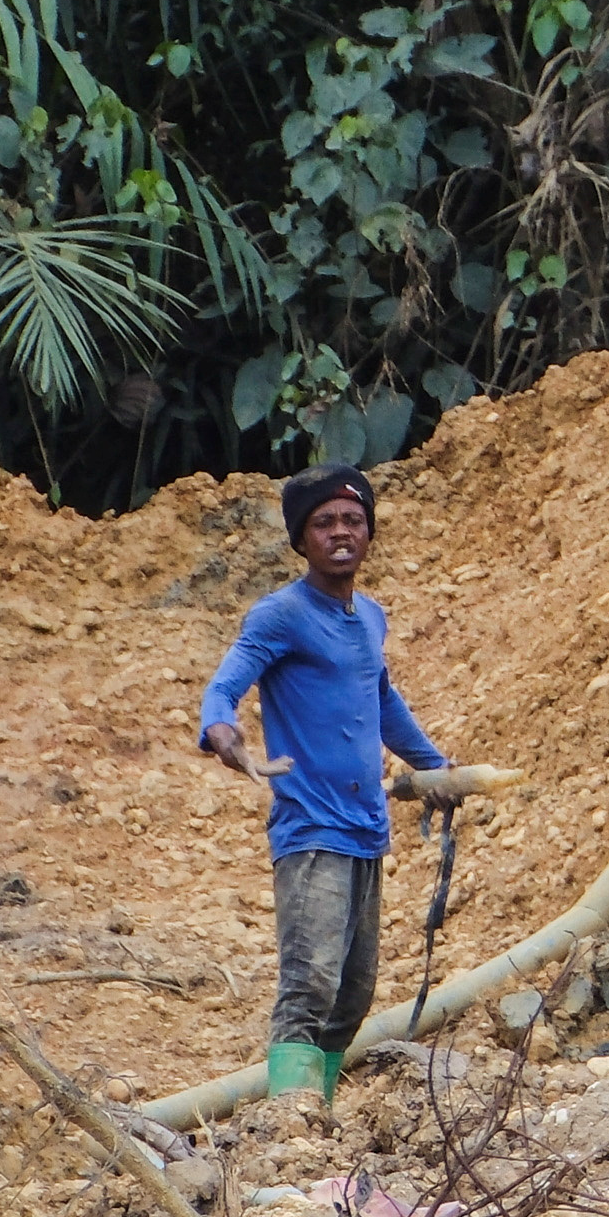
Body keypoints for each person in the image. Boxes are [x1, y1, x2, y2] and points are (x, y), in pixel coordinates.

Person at [197, 468, 466, 1103]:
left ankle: (319, 1111)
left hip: (366, 828)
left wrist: (434, 768)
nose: (340, 532)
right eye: (324, 522)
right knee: (310, 983)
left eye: (352, 520)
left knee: (354, 992)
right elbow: (223, 687)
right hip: (311, 827)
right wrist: (226, 735)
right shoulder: (281, 615)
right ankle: (290, 1124)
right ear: (301, 538)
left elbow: (381, 699)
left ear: (369, 531)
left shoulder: (369, 617)